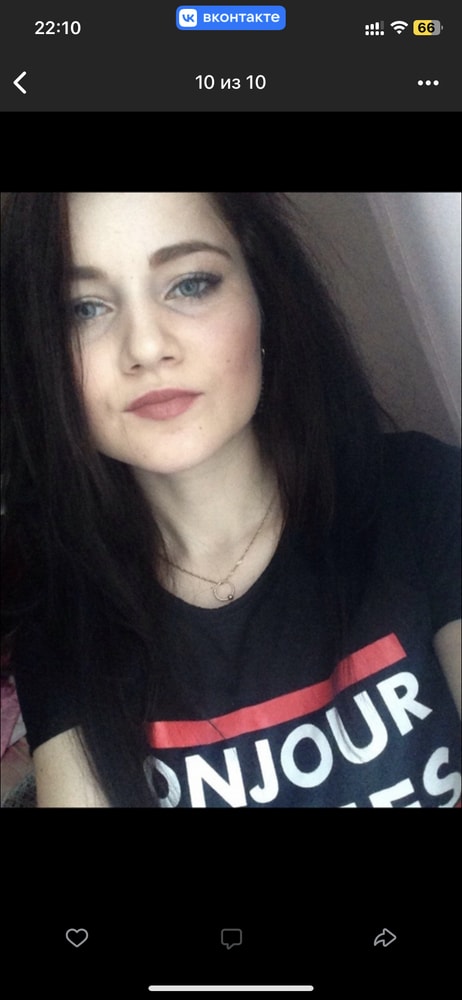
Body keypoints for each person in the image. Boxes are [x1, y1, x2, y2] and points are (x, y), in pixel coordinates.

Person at [1, 191, 460, 809]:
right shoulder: (63, 621)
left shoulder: (421, 491)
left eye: (190, 284)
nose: (146, 347)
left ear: (261, 292)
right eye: (85, 307)